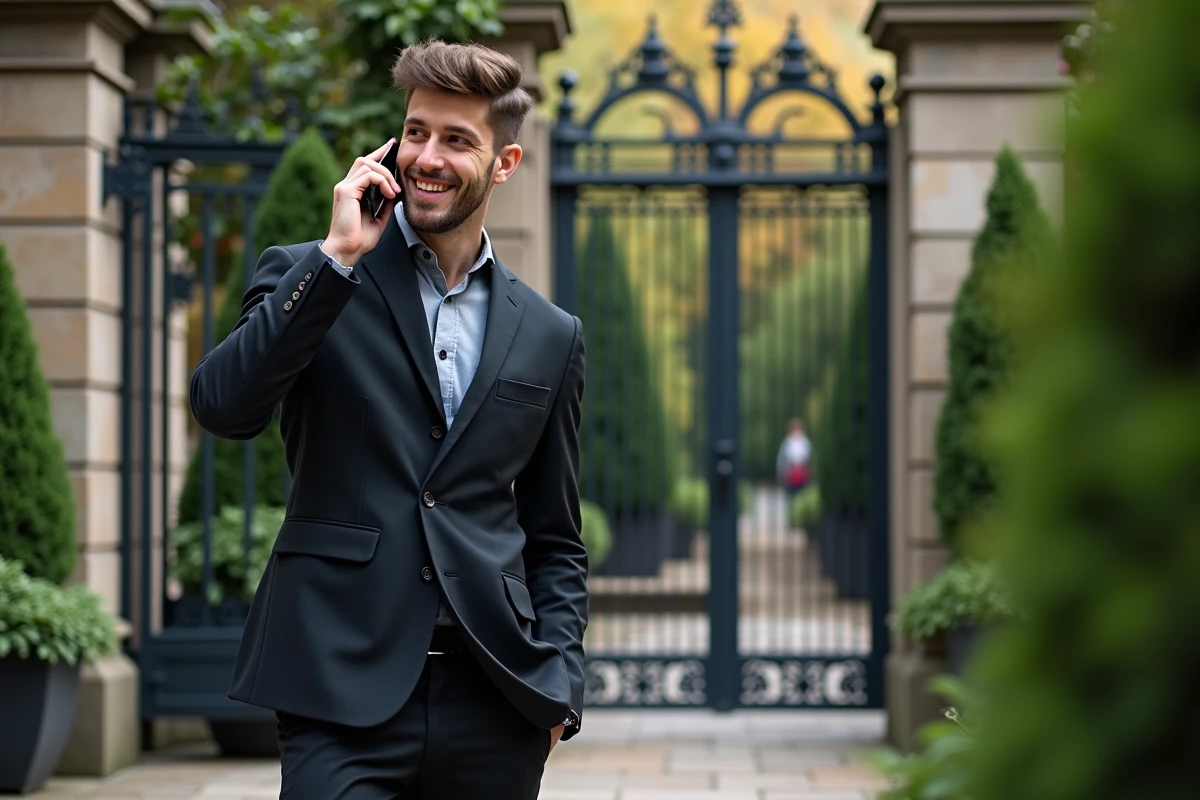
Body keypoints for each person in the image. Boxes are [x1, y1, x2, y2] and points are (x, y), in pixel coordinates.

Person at [190, 40, 588, 800]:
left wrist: (559, 687)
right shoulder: (310, 274)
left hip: (495, 697)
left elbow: (555, 536)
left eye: (456, 139)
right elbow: (224, 407)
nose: (426, 157)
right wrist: (337, 257)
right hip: (337, 686)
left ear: (503, 164)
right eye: (415, 132)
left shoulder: (549, 334)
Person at [776, 418, 812, 499]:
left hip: (802, 473)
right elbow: (782, 459)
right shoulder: (787, 442)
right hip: (790, 473)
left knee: (803, 495)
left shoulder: (805, 442)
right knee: (791, 496)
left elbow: (808, 459)